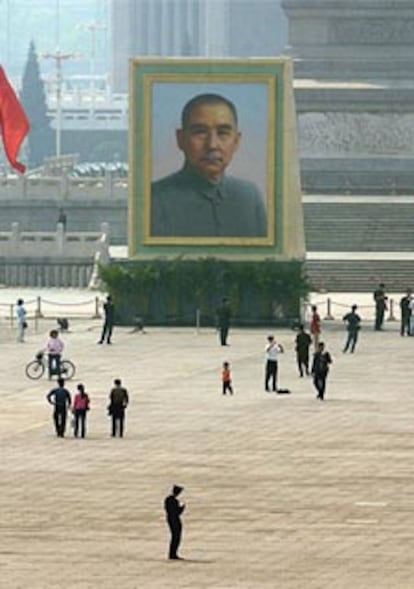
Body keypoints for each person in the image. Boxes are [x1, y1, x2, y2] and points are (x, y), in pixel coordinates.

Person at [151, 93, 267, 238]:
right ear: (180, 139)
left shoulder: (249, 197)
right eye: (200, 132)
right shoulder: (154, 200)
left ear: (236, 141)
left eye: (223, 133)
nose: (212, 145)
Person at [164, 485, 186, 560]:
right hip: (174, 519)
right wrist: (182, 508)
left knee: (175, 536)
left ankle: (172, 553)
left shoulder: (168, 499)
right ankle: (173, 554)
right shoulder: (174, 501)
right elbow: (176, 512)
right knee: (176, 537)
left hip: (170, 519)